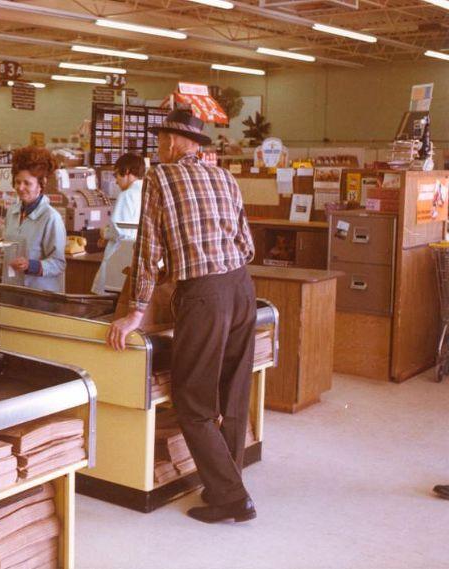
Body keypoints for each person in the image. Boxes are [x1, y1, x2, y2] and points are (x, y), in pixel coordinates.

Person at [105, 108, 257, 524]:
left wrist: (136, 311)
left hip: (204, 296)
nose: (158, 148)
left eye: (160, 141)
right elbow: (246, 244)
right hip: (242, 287)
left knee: (192, 400)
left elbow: (147, 249)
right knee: (233, 393)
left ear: (172, 142)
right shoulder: (224, 177)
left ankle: (232, 497)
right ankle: (227, 482)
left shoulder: (160, 177)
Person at [0, 147, 66, 292]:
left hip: (40, 294)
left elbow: (59, 263)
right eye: (17, 182)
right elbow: (5, 252)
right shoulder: (12, 212)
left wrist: (31, 265)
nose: (20, 187)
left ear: (41, 184)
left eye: (27, 183)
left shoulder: (51, 217)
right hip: (13, 290)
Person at [91, 153, 144, 295]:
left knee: (112, 296)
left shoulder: (126, 195)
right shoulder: (146, 191)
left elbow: (119, 231)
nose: (115, 181)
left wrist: (104, 232)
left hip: (120, 256)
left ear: (126, 171)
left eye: (116, 175)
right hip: (134, 255)